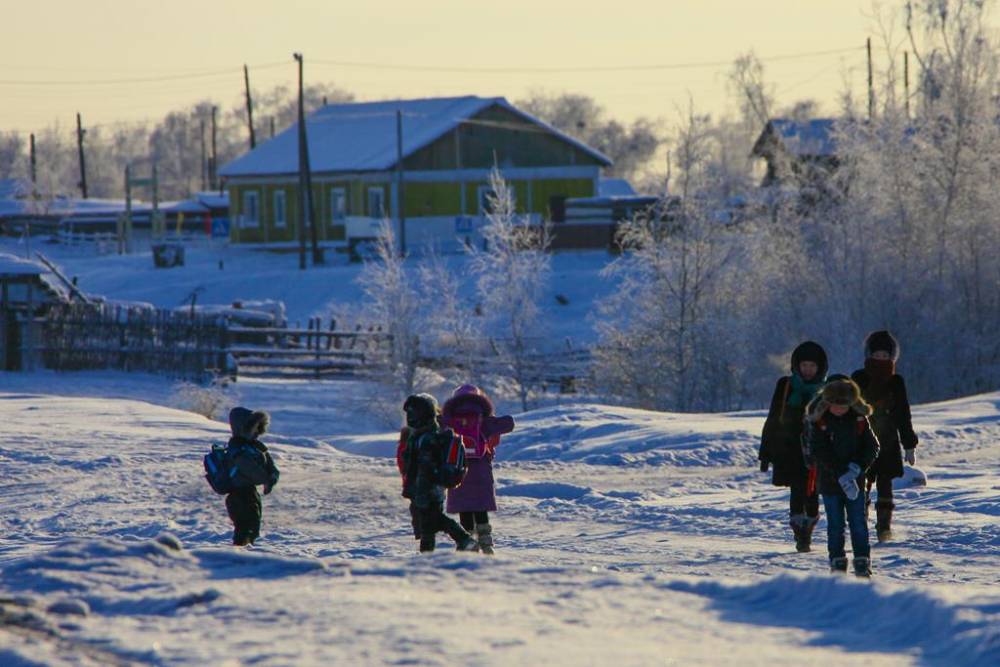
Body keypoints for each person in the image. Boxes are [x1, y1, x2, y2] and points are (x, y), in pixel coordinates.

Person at [806, 377, 880, 577]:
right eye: (835, 405)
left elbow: (872, 446)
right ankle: (837, 560)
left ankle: (862, 560)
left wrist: (857, 467)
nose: (839, 409)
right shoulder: (820, 421)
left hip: (856, 482)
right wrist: (839, 472)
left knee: (858, 522)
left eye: (844, 406)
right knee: (835, 524)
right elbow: (818, 450)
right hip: (830, 483)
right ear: (827, 403)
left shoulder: (859, 420)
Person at [759, 341, 829, 552]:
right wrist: (765, 453)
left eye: (812, 366)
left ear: (820, 368)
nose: (808, 370)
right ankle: (801, 534)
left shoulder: (826, 389)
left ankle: (809, 525)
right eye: (804, 365)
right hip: (789, 449)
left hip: (817, 450)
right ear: (796, 366)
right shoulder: (786, 385)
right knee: (797, 491)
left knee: (813, 492)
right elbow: (773, 417)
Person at [851, 330, 918, 542]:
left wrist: (909, 444)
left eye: (885, 355)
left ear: (892, 357)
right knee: (862, 481)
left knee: (885, 482)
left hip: (888, 440)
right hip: (862, 439)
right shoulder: (858, 378)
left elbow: (903, 414)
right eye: (876, 355)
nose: (880, 359)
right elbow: (849, 408)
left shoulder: (896, 382)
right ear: (869, 355)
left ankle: (884, 526)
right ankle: (859, 520)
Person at [397, 393, 476, 553]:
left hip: (429, 489)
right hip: (424, 488)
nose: (410, 417)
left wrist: (421, 492)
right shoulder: (418, 435)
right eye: (409, 413)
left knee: (432, 520)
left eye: (413, 412)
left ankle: (463, 541)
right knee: (429, 522)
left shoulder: (429, 438)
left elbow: (426, 469)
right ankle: (433, 552)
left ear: (424, 414)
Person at [441, 385, 515, 554]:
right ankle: (486, 544)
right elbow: (509, 424)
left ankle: (468, 544)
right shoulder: (484, 419)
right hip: (481, 471)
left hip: (458, 469)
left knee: (464, 507)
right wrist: (489, 417)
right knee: (480, 507)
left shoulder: (450, 419)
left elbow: (435, 427)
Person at [224, 407, 280, 546]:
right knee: (245, 528)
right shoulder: (237, 449)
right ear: (243, 428)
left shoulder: (255, 447)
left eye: (258, 427)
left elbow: (270, 465)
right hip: (239, 494)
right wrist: (265, 479)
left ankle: (246, 550)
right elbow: (249, 468)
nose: (256, 431)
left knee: (253, 526)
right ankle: (240, 553)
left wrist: (272, 477)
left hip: (250, 492)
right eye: (253, 427)